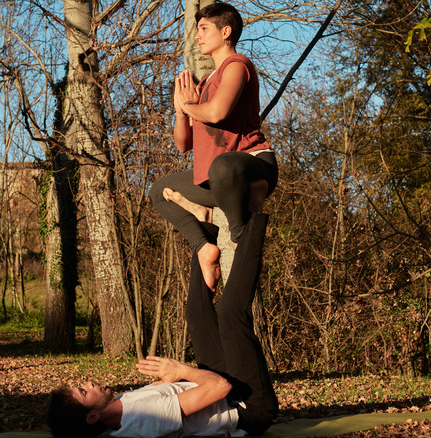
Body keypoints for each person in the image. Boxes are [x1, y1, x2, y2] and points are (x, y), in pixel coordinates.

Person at [47, 214, 278, 438]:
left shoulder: (118, 407)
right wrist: (181, 371)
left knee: (196, 315)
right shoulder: (146, 419)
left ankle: (204, 224)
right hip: (248, 408)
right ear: (93, 417)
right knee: (230, 315)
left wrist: (173, 381)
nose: (89, 383)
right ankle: (250, 216)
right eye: (84, 391)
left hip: (224, 393)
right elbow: (220, 387)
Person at [148, 2, 278, 293]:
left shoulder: (237, 65)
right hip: (219, 177)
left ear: (226, 31)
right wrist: (182, 111)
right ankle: (205, 248)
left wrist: (191, 106)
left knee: (222, 167)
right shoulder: (205, 83)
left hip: (252, 163)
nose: (198, 36)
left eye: (204, 29)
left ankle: (240, 234)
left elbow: (217, 113)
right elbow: (183, 144)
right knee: (159, 192)